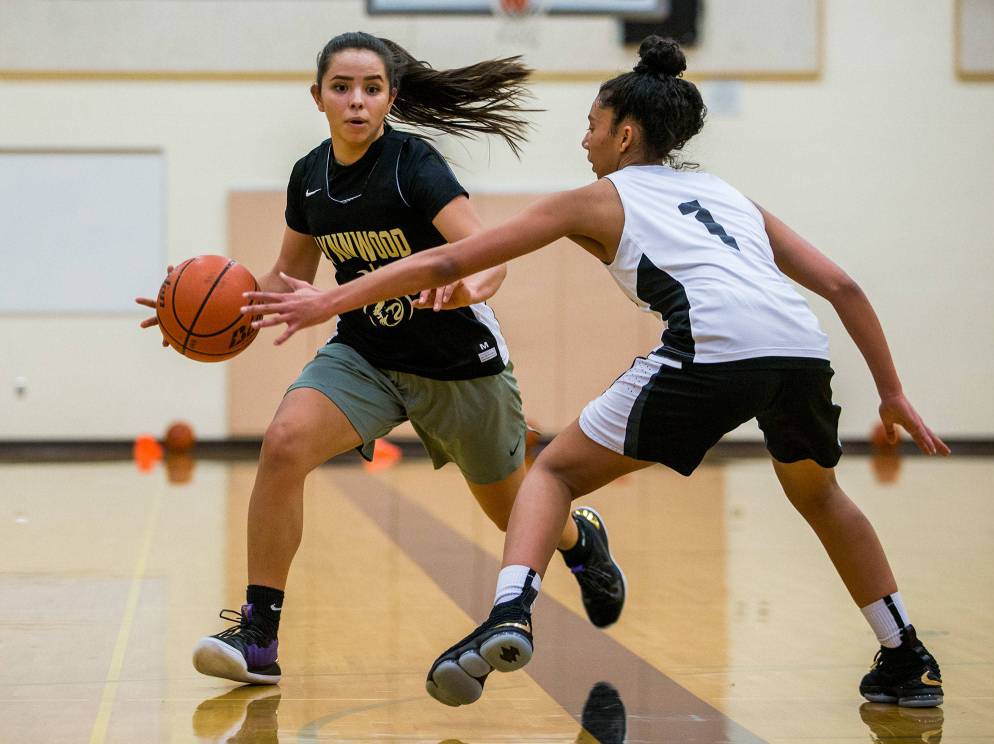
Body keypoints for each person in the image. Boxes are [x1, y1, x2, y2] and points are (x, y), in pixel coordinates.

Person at [240, 35, 950, 708]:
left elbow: (458, 258)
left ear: (625, 136)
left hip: (709, 345)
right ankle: (906, 654)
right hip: (799, 349)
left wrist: (333, 297)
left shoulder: (595, 199)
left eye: (591, 126)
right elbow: (844, 287)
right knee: (822, 498)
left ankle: (509, 615)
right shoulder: (731, 198)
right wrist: (890, 392)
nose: (584, 140)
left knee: (553, 475)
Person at [135, 31, 627, 686]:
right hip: (365, 354)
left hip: (457, 363)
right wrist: (205, 314)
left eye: (371, 89)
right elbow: (288, 276)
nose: (357, 101)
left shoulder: (413, 165)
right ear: (318, 98)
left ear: (391, 97)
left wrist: (464, 285)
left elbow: (490, 259)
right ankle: (259, 634)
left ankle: (578, 538)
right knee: (283, 444)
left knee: (512, 509)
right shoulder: (309, 177)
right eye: (342, 88)